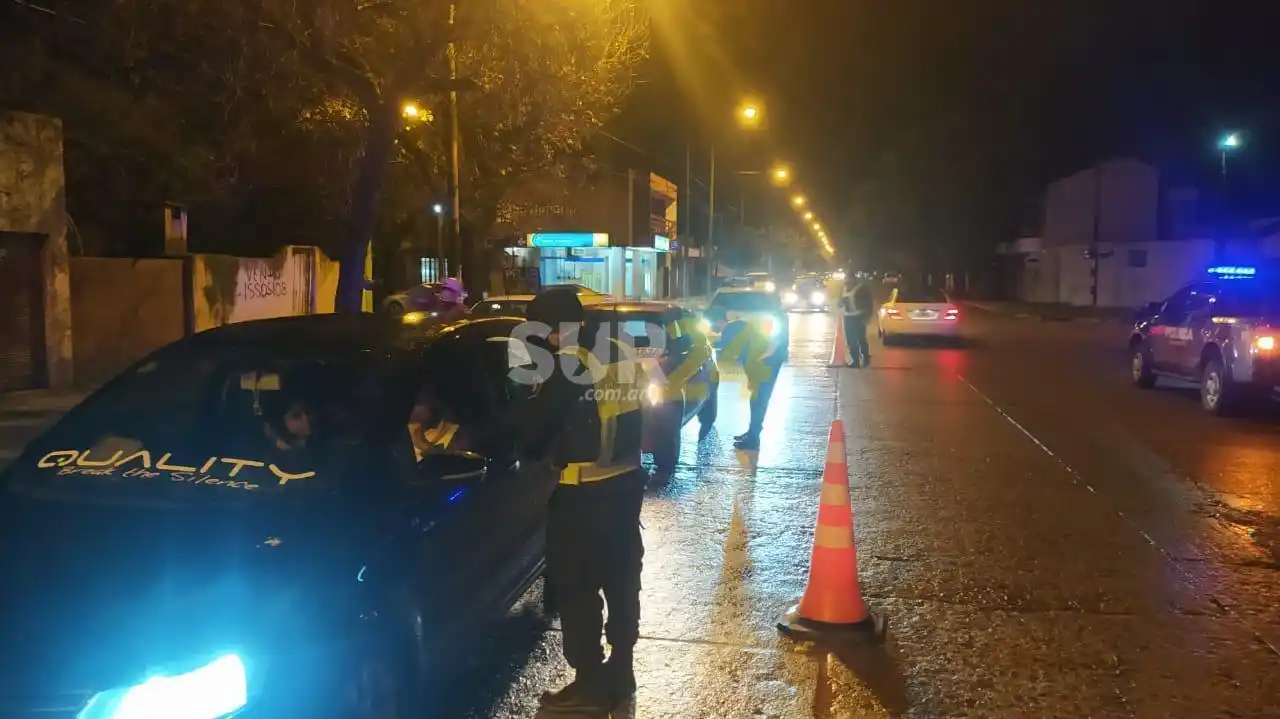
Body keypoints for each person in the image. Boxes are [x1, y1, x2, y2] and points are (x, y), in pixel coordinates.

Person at [506, 288, 646, 714]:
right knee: (622, 578)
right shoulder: (618, 352)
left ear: (549, 330)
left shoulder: (569, 367)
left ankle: (588, 682)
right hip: (627, 483)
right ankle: (622, 668)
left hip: (583, 492)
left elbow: (531, 438)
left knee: (578, 588)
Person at [720, 315, 785, 451]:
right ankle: (752, 432)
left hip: (766, 366)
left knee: (758, 402)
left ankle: (753, 439)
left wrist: (766, 355)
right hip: (763, 365)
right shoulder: (743, 330)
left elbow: (777, 340)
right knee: (756, 401)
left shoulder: (740, 332)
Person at [841, 278, 875, 368]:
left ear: (854, 281)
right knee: (851, 340)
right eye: (846, 281)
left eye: (849, 280)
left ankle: (866, 357)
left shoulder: (861, 289)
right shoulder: (844, 289)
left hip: (859, 316)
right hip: (848, 317)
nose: (847, 283)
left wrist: (867, 316)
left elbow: (869, 303)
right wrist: (841, 302)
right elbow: (840, 302)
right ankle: (855, 361)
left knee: (861, 338)